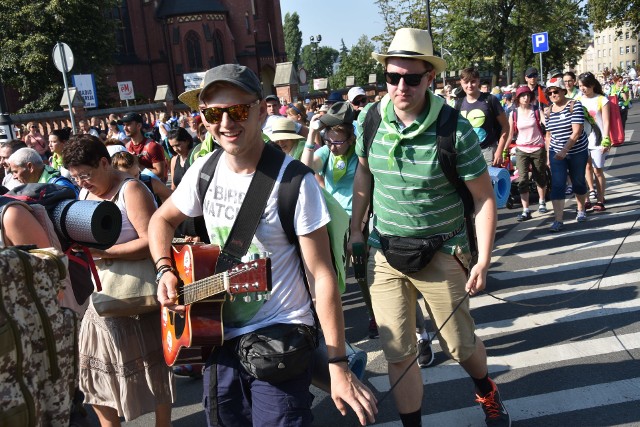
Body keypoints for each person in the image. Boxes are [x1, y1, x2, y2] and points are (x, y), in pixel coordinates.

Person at [148, 63, 377, 427]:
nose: (225, 123)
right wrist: (164, 269)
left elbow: (322, 276)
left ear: (260, 109)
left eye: (237, 110)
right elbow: (160, 219)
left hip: (279, 338)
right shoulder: (203, 170)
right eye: (212, 113)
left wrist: (337, 365)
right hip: (218, 337)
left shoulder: (294, 182)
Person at [349, 28, 509, 427]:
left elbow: (484, 198)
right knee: (397, 352)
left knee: (459, 345)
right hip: (384, 251)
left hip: (442, 250)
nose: (401, 86)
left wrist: (483, 260)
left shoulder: (455, 130)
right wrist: (356, 230)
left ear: (430, 78)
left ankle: (486, 389)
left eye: (412, 78)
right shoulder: (370, 119)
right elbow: (364, 177)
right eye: (392, 77)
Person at [62, 135, 174, 425]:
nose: (81, 183)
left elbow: (152, 241)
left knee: (154, 371)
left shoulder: (131, 189)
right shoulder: (85, 193)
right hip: (99, 299)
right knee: (95, 377)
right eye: (75, 178)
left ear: (103, 163)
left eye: (85, 175)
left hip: (136, 299)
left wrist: (104, 252)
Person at [544, 77, 590, 232]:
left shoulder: (574, 105)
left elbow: (576, 132)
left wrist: (565, 150)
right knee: (557, 184)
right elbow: (548, 135)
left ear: (563, 90)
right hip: (556, 153)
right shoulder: (548, 110)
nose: (552, 95)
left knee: (578, 182)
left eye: (555, 91)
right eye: (549, 93)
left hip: (577, 151)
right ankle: (558, 220)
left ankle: (581, 209)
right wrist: (548, 155)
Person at [507, 86, 548, 221]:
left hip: (538, 147)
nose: (526, 98)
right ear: (518, 98)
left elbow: (547, 126)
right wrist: (504, 149)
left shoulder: (536, 110)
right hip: (522, 149)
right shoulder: (514, 113)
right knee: (522, 179)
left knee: (539, 176)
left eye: (528, 95)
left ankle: (542, 202)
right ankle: (526, 209)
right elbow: (510, 133)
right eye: (523, 96)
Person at [457, 67, 510, 166]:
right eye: (466, 82)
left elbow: (505, 126)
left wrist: (499, 151)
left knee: (489, 181)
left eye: (473, 81)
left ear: (478, 81)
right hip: (466, 153)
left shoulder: (490, 100)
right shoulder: (459, 103)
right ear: (461, 82)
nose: (469, 85)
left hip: (488, 151)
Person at [577, 72, 611, 212]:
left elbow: (606, 121)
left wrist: (606, 139)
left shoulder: (602, 100)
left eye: (585, 85)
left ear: (592, 85)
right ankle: (587, 200)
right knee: (586, 169)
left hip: (598, 140)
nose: (582, 88)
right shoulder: (578, 100)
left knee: (597, 170)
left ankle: (600, 200)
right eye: (580, 86)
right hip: (583, 140)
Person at [7, 147, 78, 195]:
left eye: (15, 172)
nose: (14, 177)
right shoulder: (42, 186)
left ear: (30, 167)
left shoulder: (59, 186)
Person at [123, 112, 167, 182]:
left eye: (128, 124)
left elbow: (160, 173)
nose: (125, 128)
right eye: (124, 125)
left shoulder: (152, 146)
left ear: (139, 126)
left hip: (152, 190)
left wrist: (137, 165)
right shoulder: (126, 147)